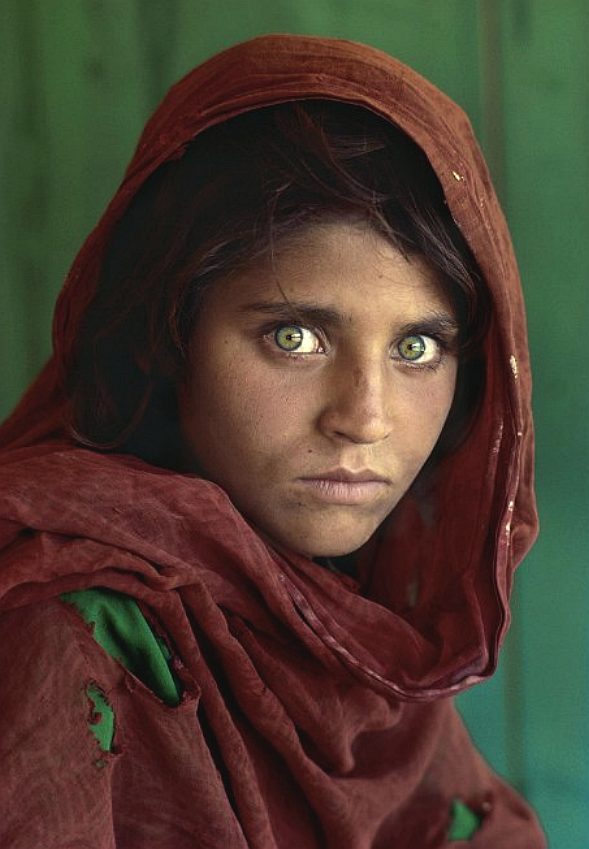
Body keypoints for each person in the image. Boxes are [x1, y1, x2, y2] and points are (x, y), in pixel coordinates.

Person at [0, 34, 545, 848]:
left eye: (416, 348)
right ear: (168, 331)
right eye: (294, 337)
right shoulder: (67, 626)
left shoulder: (357, 616)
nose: (365, 417)